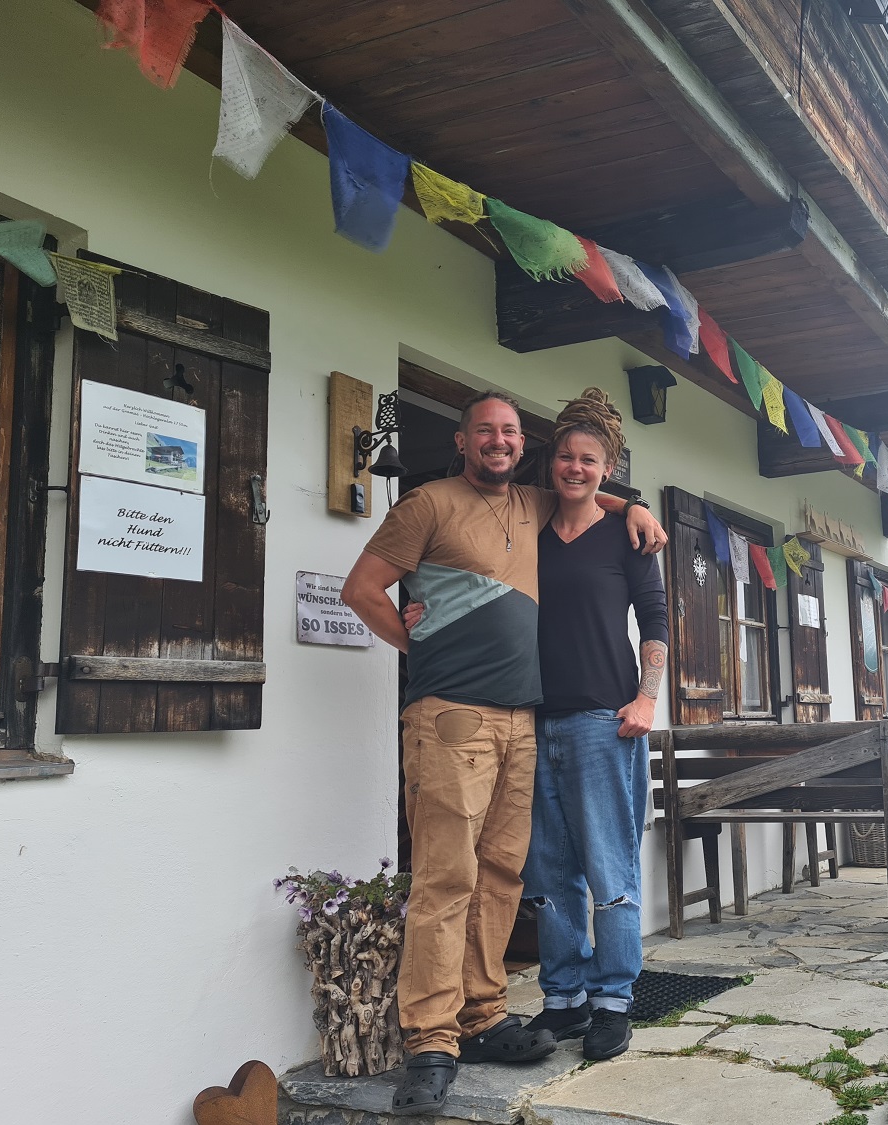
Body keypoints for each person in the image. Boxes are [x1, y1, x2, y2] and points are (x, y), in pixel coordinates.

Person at [340, 390, 665, 1117]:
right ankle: (431, 1037)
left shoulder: (534, 503)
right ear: (461, 441)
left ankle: (484, 1014)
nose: (498, 440)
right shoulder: (427, 503)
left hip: (526, 720)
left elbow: (589, 494)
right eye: (484, 430)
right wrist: (409, 637)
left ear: (525, 448)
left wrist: (635, 504)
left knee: (503, 874)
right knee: (446, 877)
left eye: (510, 431)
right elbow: (361, 588)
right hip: (452, 713)